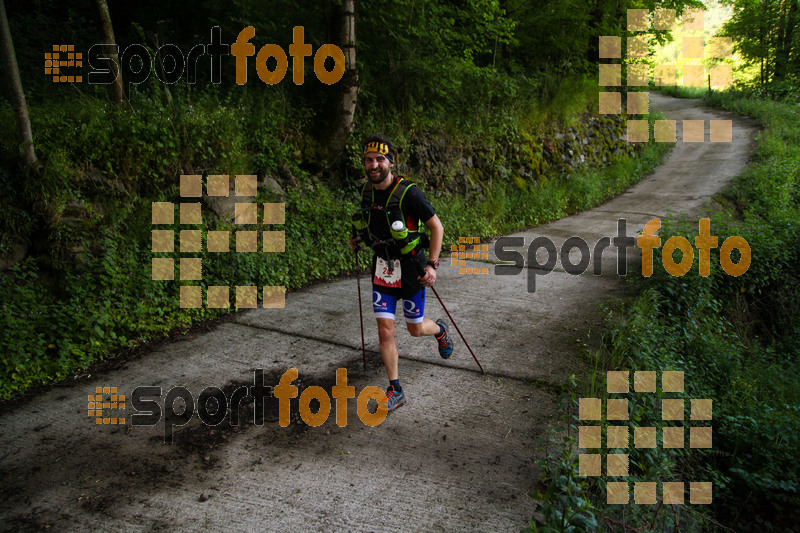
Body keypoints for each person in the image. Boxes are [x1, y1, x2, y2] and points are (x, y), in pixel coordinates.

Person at [350, 134, 454, 413]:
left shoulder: (409, 193)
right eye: (369, 160)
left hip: (411, 269)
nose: (374, 165)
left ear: (390, 163)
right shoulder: (366, 192)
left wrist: (432, 265)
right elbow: (369, 222)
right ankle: (395, 389)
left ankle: (440, 330)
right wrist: (359, 238)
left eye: (379, 159)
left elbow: (436, 227)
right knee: (386, 331)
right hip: (382, 268)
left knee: (415, 328)